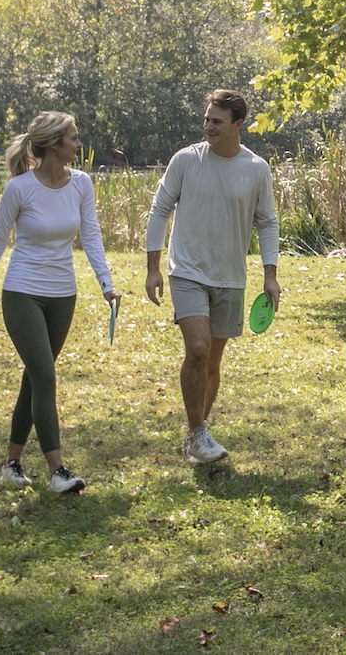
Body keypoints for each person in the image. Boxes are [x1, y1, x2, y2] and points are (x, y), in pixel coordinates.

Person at [0, 111, 120, 494]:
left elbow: (92, 237)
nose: (79, 145)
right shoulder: (20, 188)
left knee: (35, 379)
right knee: (45, 376)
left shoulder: (81, 184)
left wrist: (106, 284)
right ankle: (58, 471)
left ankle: (11, 463)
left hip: (63, 295)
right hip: (22, 293)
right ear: (53, 145)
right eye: (74, 138)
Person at [145, 88, 279, 465]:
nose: (208, 127)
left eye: (217, 121)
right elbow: (159, 211)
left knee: (213, 362)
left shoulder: (256, 169)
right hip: (186, 270)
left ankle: (194, 435)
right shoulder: (186, 161)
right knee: (199, 349)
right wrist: (153, 268)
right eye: (206, 119)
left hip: (230, 275)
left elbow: (267, 223)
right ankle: (198, 433)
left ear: (238, 124)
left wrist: (270, 276)